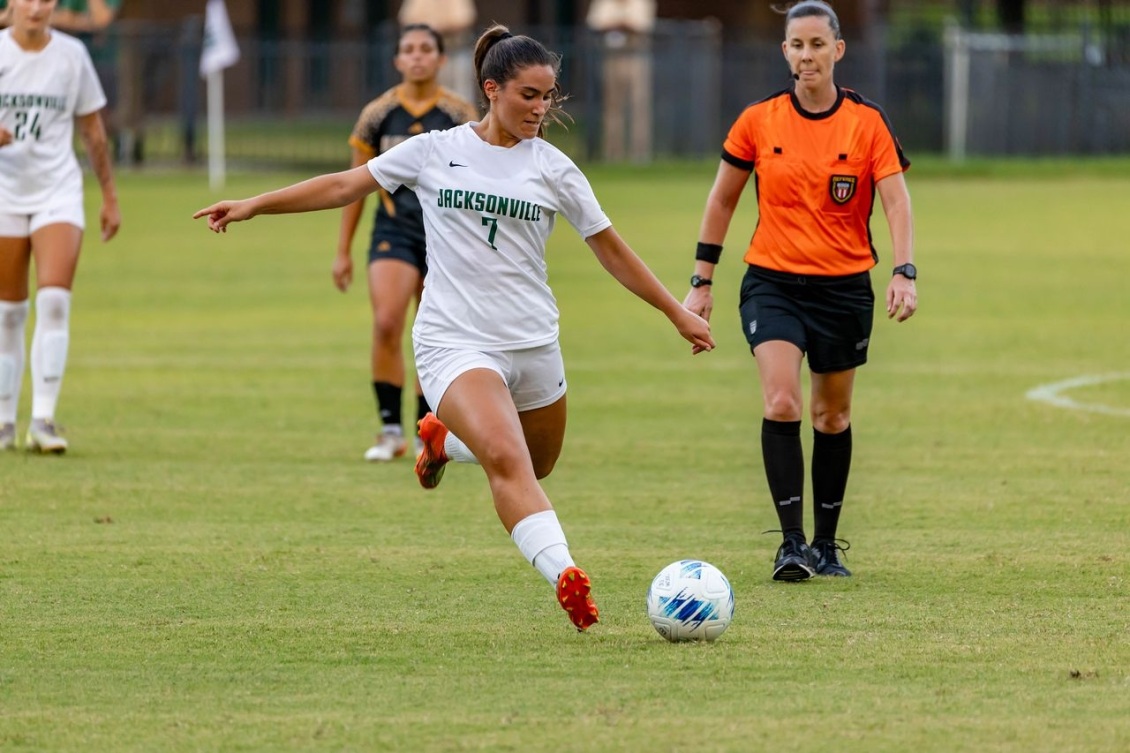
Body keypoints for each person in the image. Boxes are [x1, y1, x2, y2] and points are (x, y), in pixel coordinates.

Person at [195, 24, 714, 631]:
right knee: (507, 460)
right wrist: (255, 203)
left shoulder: (555, 169)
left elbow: (612, 250)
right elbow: (343, 185)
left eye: (548, 96)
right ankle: (567, 575)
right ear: (492, 90)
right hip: (455, 342)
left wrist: (677, 313)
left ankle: (441, 441)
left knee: (535, 465)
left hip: (534, 342)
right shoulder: (434, 150)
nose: (540, 108)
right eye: (528, 95)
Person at [683, 0, 916, 581]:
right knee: (782, 401)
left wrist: (904, 271)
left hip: (844, 289)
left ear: (838, 50)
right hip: (773, 284)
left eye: (817, 44)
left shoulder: (867, 123)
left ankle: (827, 546)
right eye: (796, 44)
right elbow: (722, 200)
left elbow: (895, 201)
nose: (806, 55)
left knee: (831, 416)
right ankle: (790, 545)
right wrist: (701, 282)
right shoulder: (758, 121)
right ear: (784, 51)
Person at [334, 24, 478, 463]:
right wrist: (342, 250)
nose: (417, 56)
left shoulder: (459, 113)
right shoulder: (377, 114)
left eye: (426, 49)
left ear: (440, 59)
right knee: (387, 323)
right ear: (397, 60)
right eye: (408, 50)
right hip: (393, 230)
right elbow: (351, 185)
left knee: (432, 333)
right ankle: (390, 429)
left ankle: (426, 431)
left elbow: (475, 180)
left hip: (443, 236)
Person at [0, 0, 120, 454]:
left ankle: (43, 419)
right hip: (5, 193)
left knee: (54, 300)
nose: (36, 7)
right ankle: (4, 421)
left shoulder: (72, 55)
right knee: (9, 312)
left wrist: (109, 196)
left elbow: (92, 131)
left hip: (57, 191)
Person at [586, 0, 656, 163]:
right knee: (612, 107)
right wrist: (618, 24)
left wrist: (620, 24)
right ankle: (613, 155)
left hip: (636, 59)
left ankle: (639, 155)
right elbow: (596, 23)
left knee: (639, 107)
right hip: (611, 59)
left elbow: (642, 25)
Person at [397, 0, 477, 104]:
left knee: (460, 95)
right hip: (428, 56)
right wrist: (431, 27)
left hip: (454, 52)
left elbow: (464, 18)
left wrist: (438, 26)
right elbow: (406, 18)